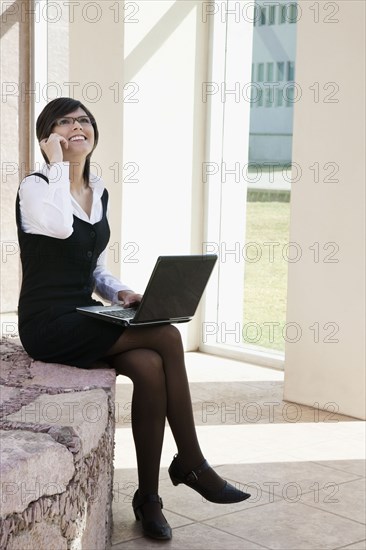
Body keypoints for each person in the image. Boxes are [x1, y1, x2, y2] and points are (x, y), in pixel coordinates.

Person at [16, 97, 250, 541]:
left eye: (83, 120)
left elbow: (94, 266)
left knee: (149, 365)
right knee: (164, 335)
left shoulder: (98, 190)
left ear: (94, 132)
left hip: (85, 312)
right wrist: (56, 167)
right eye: (63, 122)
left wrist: (121, 292)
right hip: (47, 323)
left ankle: (148, 498)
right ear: (48, 137)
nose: (76, 126)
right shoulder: (35, 186)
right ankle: (192, 463)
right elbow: (62, 229)